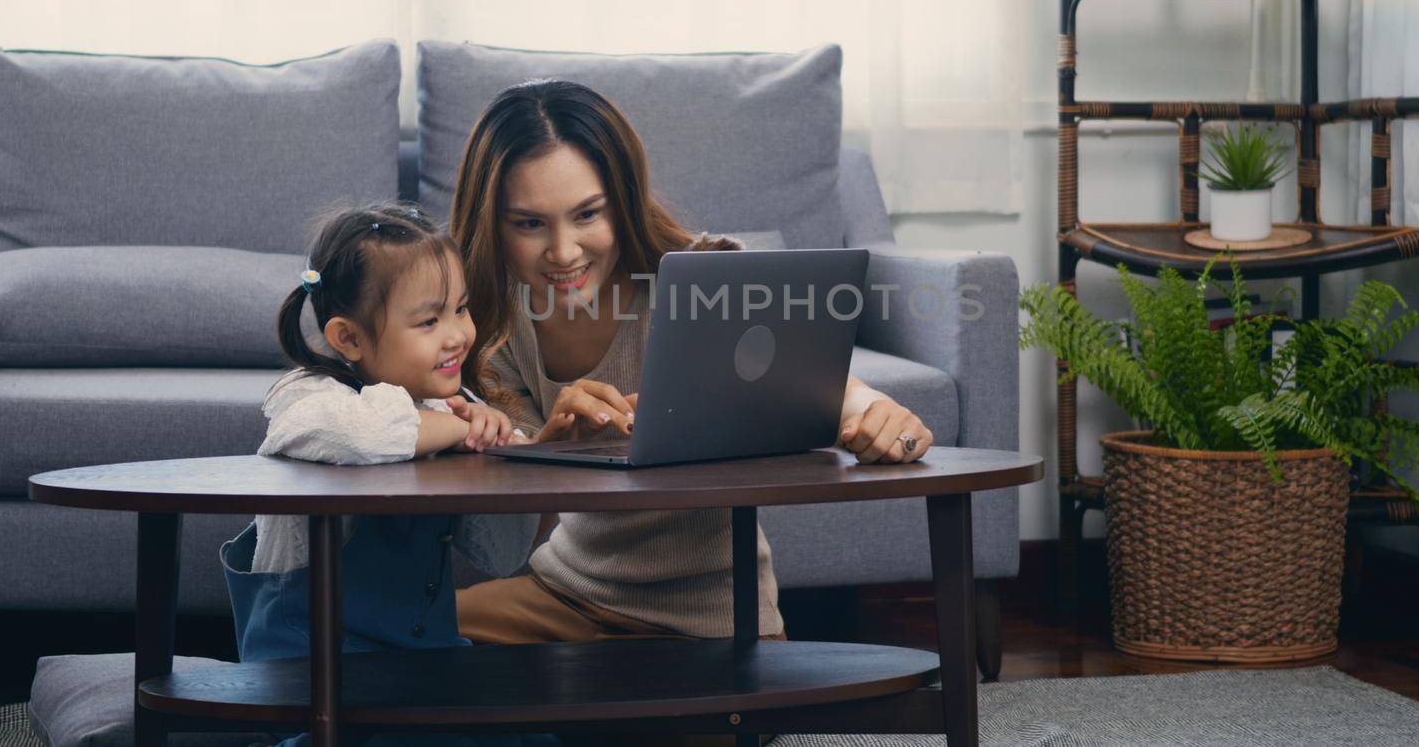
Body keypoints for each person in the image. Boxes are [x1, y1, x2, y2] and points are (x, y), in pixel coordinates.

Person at [448, 80, 934, 647]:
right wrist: (554, 456)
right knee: (371, 640)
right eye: (529, 223)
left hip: (711, 620)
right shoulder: (485, 323)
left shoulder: (707, 279)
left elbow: (826, 388)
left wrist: (881, 412)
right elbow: (512, 541)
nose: (562, 251)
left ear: (623, 199)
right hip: (565, 596)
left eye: (587, 214)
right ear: (494, 224)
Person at [219, 201, 552, 747]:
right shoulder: (307, 397)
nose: (457, 336)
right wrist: (458, 431)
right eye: (428, 321)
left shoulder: (448, 411)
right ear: (349, 338)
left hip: (422, 666)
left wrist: (505, 458)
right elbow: (358, 434)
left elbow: (501, 555)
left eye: (461, 309)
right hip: (313, 672)